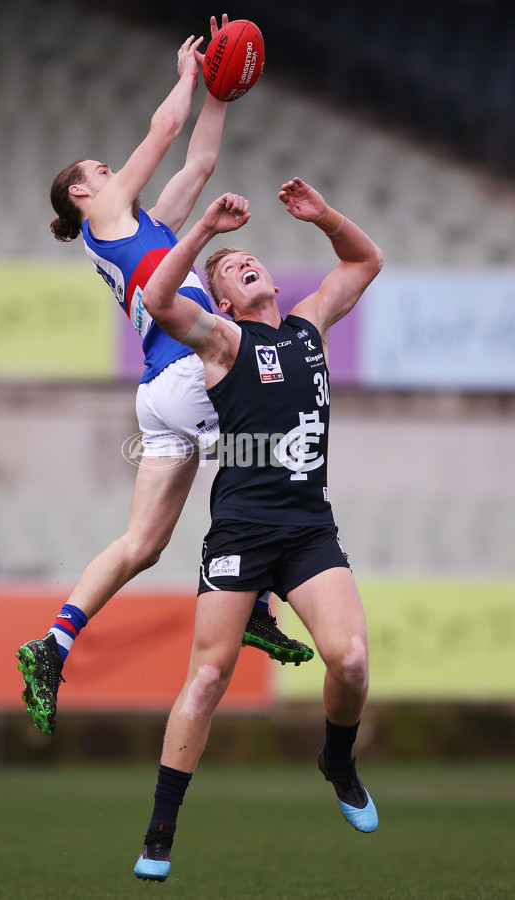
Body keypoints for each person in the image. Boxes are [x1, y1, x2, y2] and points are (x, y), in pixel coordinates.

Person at [16, 17, 313, 739]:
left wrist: (221, 91)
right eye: (99, 171)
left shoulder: (139, 225)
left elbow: (198, 161)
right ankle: (264, 605)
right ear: (81, 196)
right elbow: (163, 132)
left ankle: (51, 643)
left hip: (164, 394)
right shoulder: (108, 217)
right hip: (188, 375)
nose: (112, 172)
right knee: (273, 449)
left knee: (142, 545)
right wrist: (188, 75)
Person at [132, 177, 384, 881]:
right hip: (241, 530)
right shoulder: (221, 340)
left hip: (308, 531)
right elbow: (156, 300)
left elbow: (365, 263)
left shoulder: (309, 324)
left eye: (249, 257)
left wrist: (325, 216)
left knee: (354, 662)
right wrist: (205, 233)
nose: (244, 263)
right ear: (223, 301)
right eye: (227, 270)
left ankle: (336, 758)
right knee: (209, 676)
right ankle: (159, 830)